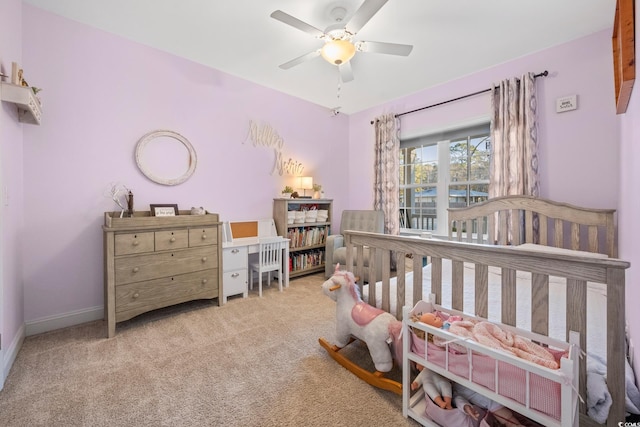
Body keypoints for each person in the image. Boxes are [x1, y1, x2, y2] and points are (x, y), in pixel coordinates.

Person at [453, 382, 523, 427]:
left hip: (491, 392)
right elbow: (456, 398)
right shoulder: (453, 390)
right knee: (509, 420)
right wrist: (465, 406)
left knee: (509, 420)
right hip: (491, 404)